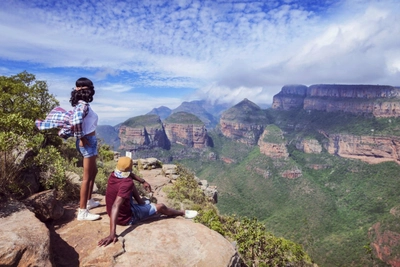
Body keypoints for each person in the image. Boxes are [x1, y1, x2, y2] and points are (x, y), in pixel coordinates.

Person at [98, 157, 198, 247]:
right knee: (161, 207)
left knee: (130, 183)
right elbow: (115, 205)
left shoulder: (114, 174)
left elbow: (129, 175)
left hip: (113, 213)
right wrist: (112, 234)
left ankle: (141, 203)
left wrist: (143, 181)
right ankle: (183, 213)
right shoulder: (126, 183)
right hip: (127, 218)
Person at [70, 77, 100, 221]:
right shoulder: (82, 106)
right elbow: (76, 121)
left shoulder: (83, 105)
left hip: (90, 141)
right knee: (86, 178)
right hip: (87, 142)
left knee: (94, 171)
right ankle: (82, 212)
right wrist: (81, 138)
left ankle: (89, 201)